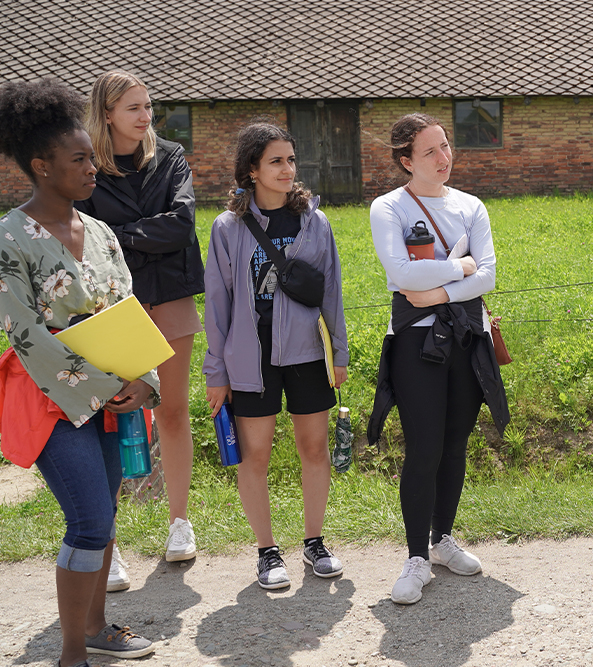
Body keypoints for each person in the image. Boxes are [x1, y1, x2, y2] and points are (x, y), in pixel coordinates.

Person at [0, 78, 160, 666]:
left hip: (115, 396)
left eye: (93, 157)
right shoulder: (9, 238)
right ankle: (71, 654)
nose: (94, 168)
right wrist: (103, 384)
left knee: (106, 513)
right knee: (89, 518)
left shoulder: (100, 233)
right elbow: (25, 333)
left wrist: (144, 380)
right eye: (79, 160)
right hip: (51, 398)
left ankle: (96, 628)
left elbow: (129, 312)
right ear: (41, 167)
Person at [368, 113, 510, 605]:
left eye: (445, 146)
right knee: (424, 447)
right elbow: (402, 272)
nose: (443, 157)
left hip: (467, 336)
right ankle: (416, 559)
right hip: (417, 342)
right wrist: (460, 268)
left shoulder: (471, 206)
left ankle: (442, 540)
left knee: (455, 443)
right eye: (429, 151)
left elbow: (488, 275)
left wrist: (438, 291)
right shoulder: (388, 207)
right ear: (406, 161)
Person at [203, 122, 348, 590]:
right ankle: (266, 551)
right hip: (252, 358)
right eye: (276, 161)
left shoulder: (315, 222)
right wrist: (216, 370)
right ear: (252, 169)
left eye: (291, 160)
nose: (287, 169)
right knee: (256, 455)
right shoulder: (227, 228)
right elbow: (217, 303)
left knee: (314, 449)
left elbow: (332, 292)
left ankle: (314, 542)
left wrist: (339, 353)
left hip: (308, 353)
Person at [75, 71, 204, 590]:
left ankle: (180, 523)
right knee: (111, 416)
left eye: (148, 106)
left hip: (170, 294)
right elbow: (82, 235)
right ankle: (109, 542)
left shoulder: (170, 157)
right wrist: (143, 236)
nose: (146, 116)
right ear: (107, 113)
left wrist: (119, 236)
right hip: (112, 305)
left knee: (172, 410)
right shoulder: (85, 164)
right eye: (133, 108)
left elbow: (183, 224)